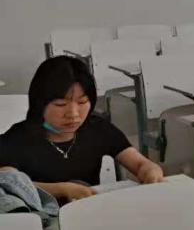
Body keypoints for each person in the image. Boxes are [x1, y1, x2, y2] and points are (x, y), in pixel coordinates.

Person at [0, 57, 163, 203]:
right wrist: (62, 189)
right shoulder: (17, 139)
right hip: (40, 220)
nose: (73, 114)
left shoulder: (97, 128)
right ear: (39, 104)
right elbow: (8, 183)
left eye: (82, 102)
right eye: (61, 105)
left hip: (88, 213)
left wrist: (150, 170)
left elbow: (139, 163)